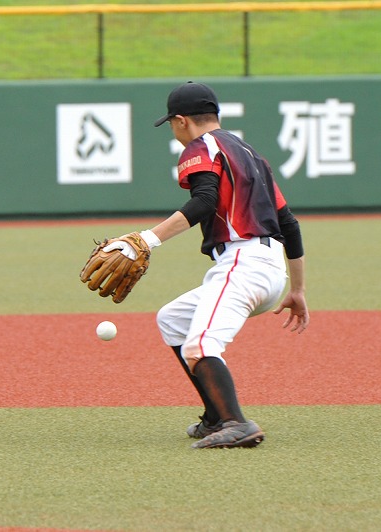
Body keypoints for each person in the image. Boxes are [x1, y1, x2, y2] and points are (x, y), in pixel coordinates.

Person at [109, 81, 309, 449]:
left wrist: (147, 240)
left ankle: (237, 423)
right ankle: (216, 416)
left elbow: (204, 201)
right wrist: (297, 290)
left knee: (199, 346)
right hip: (268, 270)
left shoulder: (201, 147)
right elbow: (289, 225)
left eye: (172, 123)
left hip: (243, 263)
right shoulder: (251, 155)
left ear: (181, 121)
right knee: (173, 319)